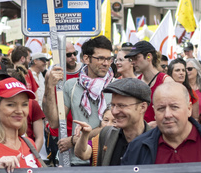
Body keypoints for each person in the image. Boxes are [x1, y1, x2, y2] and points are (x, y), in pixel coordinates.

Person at [121, 82, 201, 165]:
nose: (167, 114)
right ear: (154, 112)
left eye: (174, 107)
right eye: (161, 108)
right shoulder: (137, 149)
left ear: (189, 109)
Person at [44, 35, 114, 165]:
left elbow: (112, 126)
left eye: (109, 59)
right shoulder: (71, 85)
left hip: (105, 157)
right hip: (76, 160)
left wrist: (74, 140)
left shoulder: (116, 87)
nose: (106, 63)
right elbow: (54, 122)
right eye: (100, 58)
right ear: (86, 58)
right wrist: (49, 86)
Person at [71, 77, 150, 166]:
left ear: (142, 107)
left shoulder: (156, 140)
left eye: (122, 105)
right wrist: (85, 135)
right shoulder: (107, 134)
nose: (115, 111)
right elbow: (81, 154)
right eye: (113, 105)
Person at [125, 40, 169, 124]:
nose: (133, 62)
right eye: (132, 59)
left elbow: (172, 112)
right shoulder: (136, 82)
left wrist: (156, 125)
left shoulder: (166, 81)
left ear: (149, 56)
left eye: (136, 57)